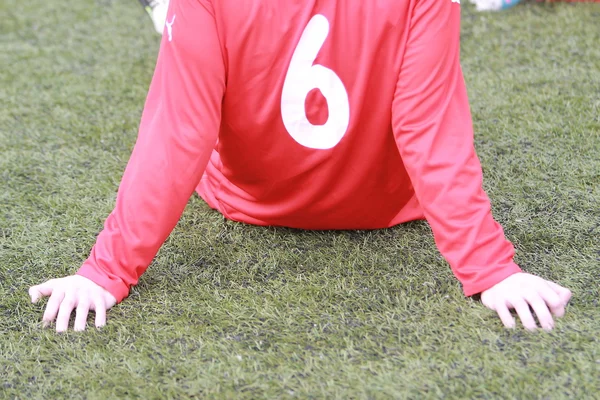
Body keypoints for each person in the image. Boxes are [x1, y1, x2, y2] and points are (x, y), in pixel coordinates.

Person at [29, 0, 572, 333]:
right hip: (390, 206)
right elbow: (428, 130)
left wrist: (107, 270)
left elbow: (178, 135)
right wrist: (490, 268)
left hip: (246, 202)